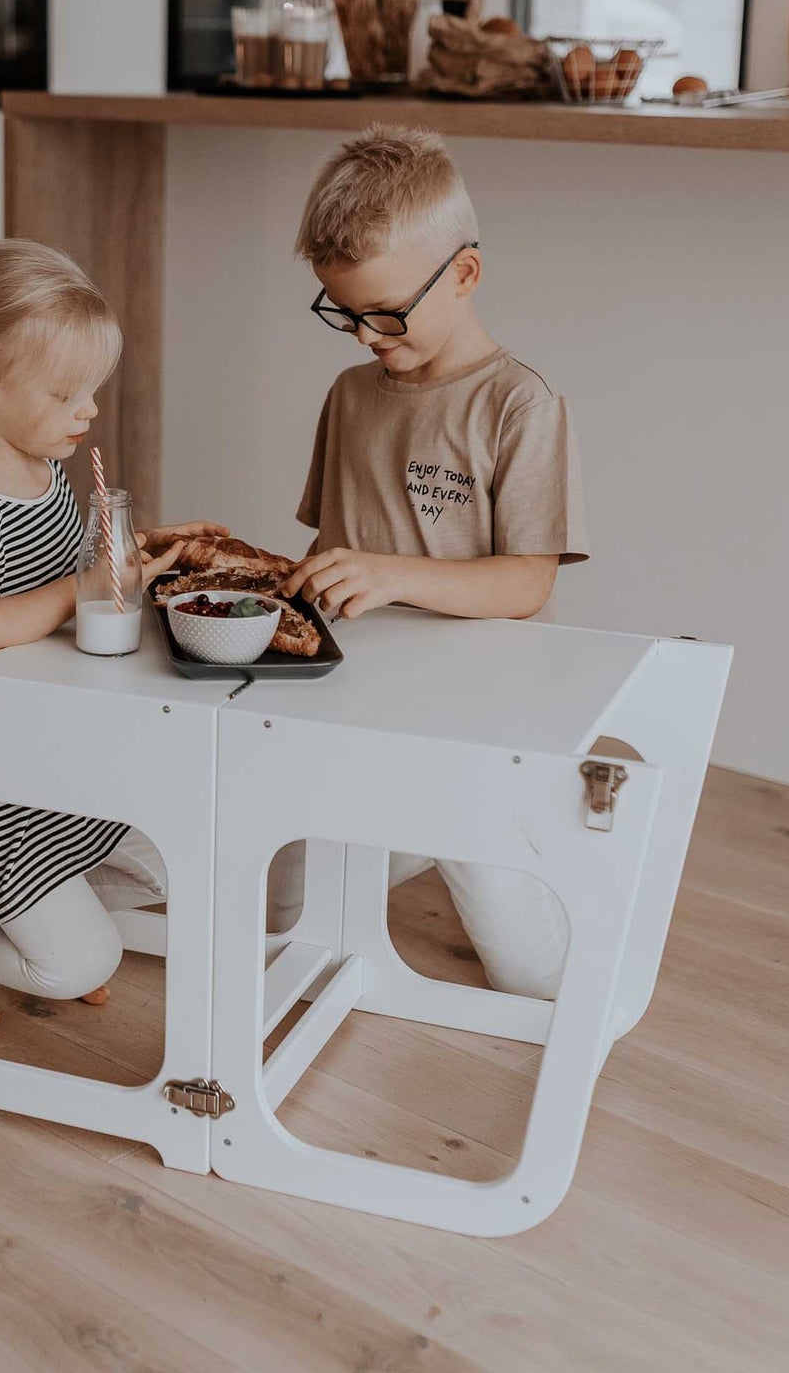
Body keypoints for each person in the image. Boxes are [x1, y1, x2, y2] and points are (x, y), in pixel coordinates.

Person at [0, 239, 227, 1032]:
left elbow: (65, 572)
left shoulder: (41, 463)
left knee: (175, 856)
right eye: (67, 394)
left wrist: (132, 554)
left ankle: (37, 903)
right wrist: (80, 589)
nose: (89, 412)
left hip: (35, 746)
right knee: (77, 966)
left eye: (91, 390)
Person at [272, 126, 589, 999]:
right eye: (343, 312)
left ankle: (532, 847)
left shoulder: (518, 403)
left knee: (534, 976)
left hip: (476, 718)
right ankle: (402, 830)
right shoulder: (348, 396)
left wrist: (390, 574)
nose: (366, 335)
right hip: (359, 707)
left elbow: (527, 582)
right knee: (285, 916)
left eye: (385, 312)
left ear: (464, 273)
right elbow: (328, 542)